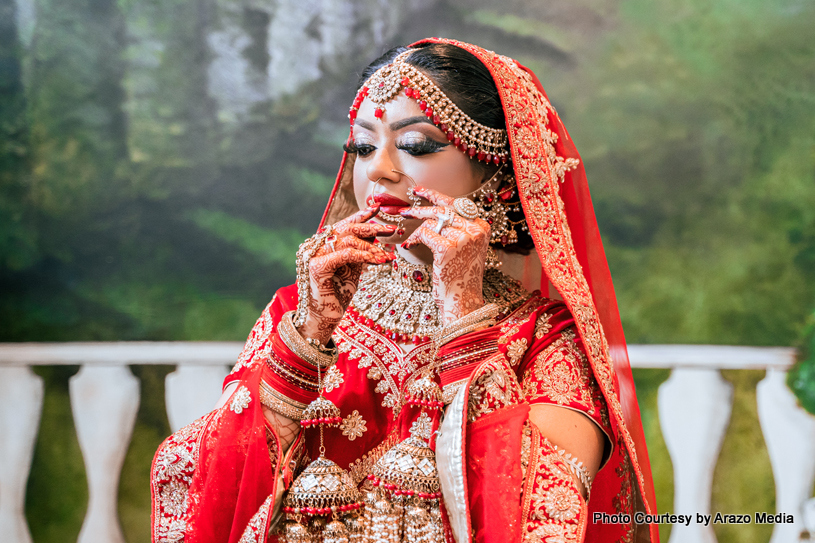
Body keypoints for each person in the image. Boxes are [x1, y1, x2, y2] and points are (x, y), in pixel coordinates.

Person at [151, 38, 659, 543]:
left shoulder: (545, 337)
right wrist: (304, 348)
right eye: (362, 147)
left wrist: (463, 315)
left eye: (415, 145)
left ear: (501, 175)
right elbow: (206, 494)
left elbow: (538, 514)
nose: (379, 170)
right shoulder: (299, 316)